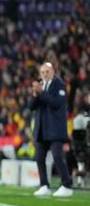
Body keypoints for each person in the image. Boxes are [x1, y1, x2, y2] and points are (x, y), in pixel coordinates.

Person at [30, 62, 73, 197]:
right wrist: (35, 95)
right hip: (42, 128)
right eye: (42, 72)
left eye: (47, 72)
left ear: (53, 71)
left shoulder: (59, 84)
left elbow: (56, 104)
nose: (44, 75)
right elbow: (31, 107)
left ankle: (66, 185)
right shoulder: (40, 85)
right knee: (39, 158)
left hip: (55, 128)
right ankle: (44, 185)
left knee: (57, 157)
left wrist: (42, 92)